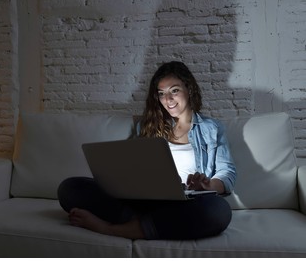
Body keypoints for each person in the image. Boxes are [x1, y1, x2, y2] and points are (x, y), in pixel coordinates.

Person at [58, 61, 236, 240]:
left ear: (189, 89)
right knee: (70, 188)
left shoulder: (211, 128)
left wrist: (207, 186)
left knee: (218, 211)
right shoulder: (147, 126)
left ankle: (113, 229)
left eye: (174, 90)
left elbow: (226, 173)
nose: (168, 99)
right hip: (144, 201)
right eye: (162, 94)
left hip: (187, 203)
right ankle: (150, 223)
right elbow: (133, 167)